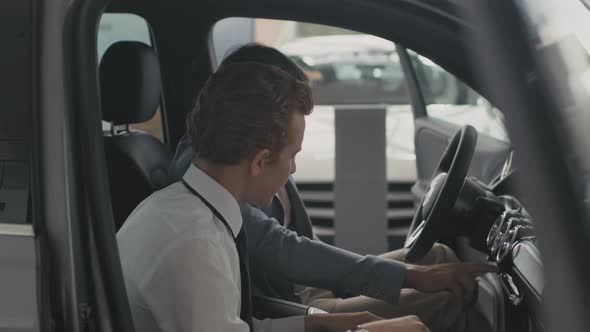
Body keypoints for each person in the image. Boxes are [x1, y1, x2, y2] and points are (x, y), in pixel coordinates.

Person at [166, 44, 496, 332]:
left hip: (305, 289)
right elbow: (281, 248)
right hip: (291, 299)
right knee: (446, 300)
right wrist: (407, 278)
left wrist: (406, 275)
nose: (293, 167)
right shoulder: (214, 178)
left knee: (439, 256)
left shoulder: (243, 152)